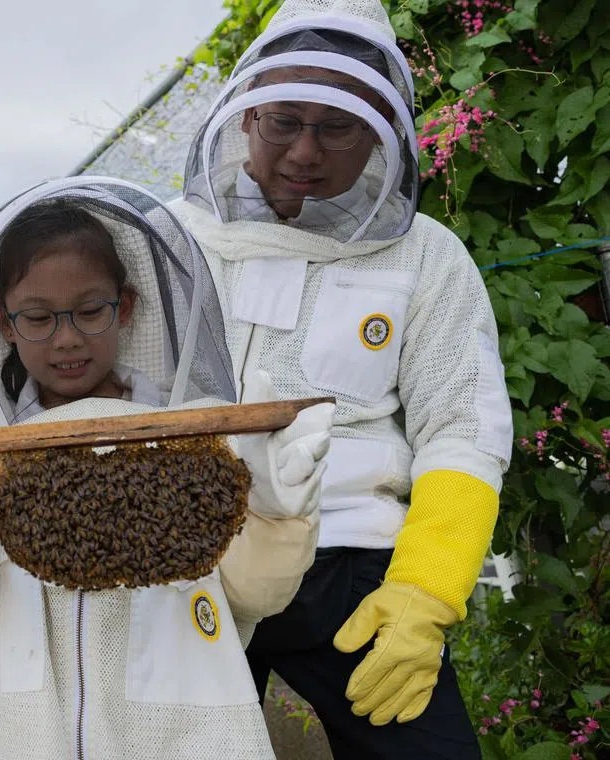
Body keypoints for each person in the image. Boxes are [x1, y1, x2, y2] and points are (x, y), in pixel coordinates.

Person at [0, 177, 337, 759]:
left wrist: (270, 514)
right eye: (37, 317)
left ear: (125, 307)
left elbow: (254, 595)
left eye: (89, 311)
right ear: (3, 322)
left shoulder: (195, 439)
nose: (66, 339)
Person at [170, 0, 513, 756]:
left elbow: (462, 425)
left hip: (355, 567)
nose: (303, 151)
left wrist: (425, 589)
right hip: (196, 560)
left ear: (383, 133)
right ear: (245, 118)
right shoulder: (171, 239)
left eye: (336, 128)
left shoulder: (427, 255)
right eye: (284, 122)